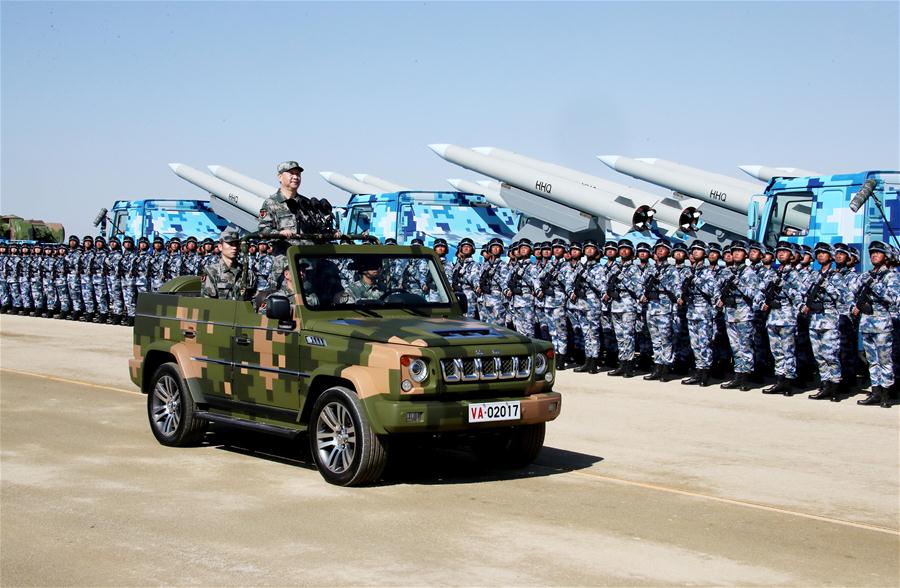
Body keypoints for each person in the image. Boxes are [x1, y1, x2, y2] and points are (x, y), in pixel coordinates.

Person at [854, 241, 900, 407]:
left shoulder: (891, 276)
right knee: (872, 361)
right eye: (872, 252)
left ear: (886, 256)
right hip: (867, 324)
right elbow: (852, 290)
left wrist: (877, 287)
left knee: (885, 361)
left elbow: (895, 300)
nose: (874, 255)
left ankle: (886, 395)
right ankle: (875, 392)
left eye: (878, 253)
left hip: (882, 325)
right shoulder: (867, 275)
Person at [802, 243, 849, 401]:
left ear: (831, 256)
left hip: (829, 320)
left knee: (831, 356)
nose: (821, 255)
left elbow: (843, 298)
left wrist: (827, 285)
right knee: (819, 356)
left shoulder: (836, 276)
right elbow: (803, 293)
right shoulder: (814, 275)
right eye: (819, 253)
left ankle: (835, 386)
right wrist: (803, 305)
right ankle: (825, 384)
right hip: (815, 320)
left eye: (824, 253)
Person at [202, 226, 257, 301]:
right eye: (230, 244)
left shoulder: (248, 273)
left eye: (236, 244)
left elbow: (254, 301)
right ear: (220, 247)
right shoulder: (211, 272)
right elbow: (208, 303)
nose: (234, 247)